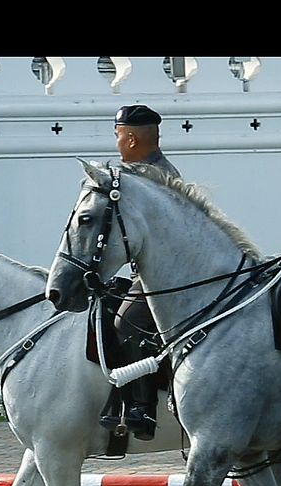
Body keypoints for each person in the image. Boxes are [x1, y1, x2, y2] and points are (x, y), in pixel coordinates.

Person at [100, 105, 180, 441]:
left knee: (128, 321)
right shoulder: (140, 173)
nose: (116, 140)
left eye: (117, 134)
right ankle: (115, 397)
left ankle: (142, 408)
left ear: (130, 137)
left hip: (165, 277)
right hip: (143, 272)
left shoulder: (154, 178)